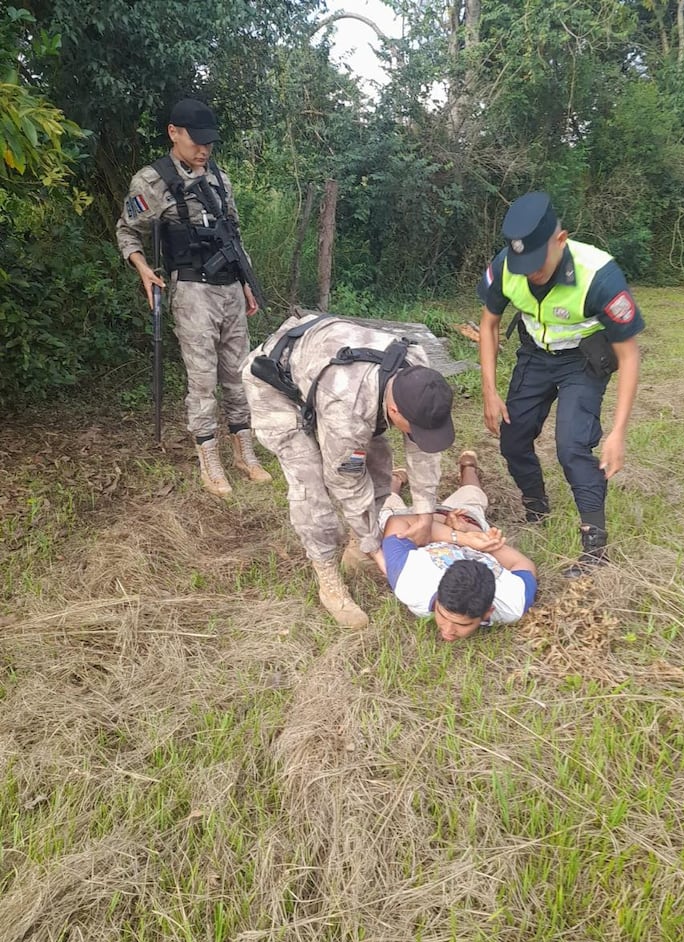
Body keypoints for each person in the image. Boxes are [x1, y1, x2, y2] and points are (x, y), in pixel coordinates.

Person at [242, 313, 456, 630]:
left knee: (379, 461)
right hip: (275, 386)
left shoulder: (419, 370)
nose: (417, 436)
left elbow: (422, 449)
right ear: (394, 409)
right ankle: (327, 575)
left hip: (328, 370)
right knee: (310, 483)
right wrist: (375, 547)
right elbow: (347, 482)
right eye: (414, 428)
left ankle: (358, 547)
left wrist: (425, 514)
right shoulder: (347, 409)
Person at [477, 191, 643, 575]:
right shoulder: (505, 266)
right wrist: (489, 390)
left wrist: (619, 432)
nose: (530, 273)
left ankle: (594, 546)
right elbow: (489, 323)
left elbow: (630, 354)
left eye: (536, 263)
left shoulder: (599, 276)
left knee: (572, 446)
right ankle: (536, 508)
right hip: (535, 355)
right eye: (522, 264)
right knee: (512, 437)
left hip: (582, 361)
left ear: (561, 240)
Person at [116, 97, 271, 497]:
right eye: (196, 141)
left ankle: (244, 451)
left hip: (229, 289)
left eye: (209, 142)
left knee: (238, 374)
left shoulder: (219, 177)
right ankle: (209, 458)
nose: (204, 149)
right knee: (203, 380)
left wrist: (246, 281)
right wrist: (143, 268)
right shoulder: (152, 180)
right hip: (192, 291)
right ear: (174, 133)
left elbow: (233, 232)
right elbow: (127, 231)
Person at [375, 451, 537, 642]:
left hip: (430, 524)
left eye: (463, 624)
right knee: (471, 498)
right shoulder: (414, 580)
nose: (448, 630)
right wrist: (471, 536)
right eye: (443, 615)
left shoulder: (410, 584)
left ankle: (468, 467)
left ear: (488, 612)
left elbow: (397, 523)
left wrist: (461, 534)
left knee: (386, 509)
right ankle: (396, 478)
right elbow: (523, 564)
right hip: (459, 522)